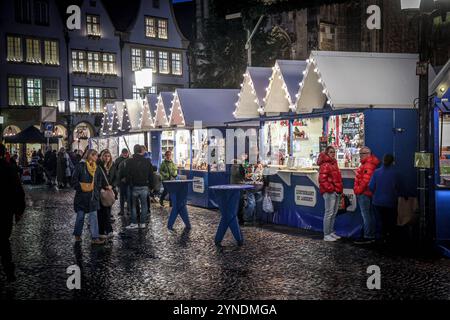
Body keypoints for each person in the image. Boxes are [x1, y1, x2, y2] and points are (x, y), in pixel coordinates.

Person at [0, 144, 25, 282]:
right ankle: (9, 272)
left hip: (6, 209)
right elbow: (18, 191)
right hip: (5, 211)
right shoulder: (9, 168)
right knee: (4, 241)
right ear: (5, 154)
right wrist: (19, 211)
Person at [71, 149, 105, 245]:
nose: (97, 157)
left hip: (93, 197)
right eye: (95, 156)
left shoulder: (96, 168)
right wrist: (82, 187)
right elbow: (73, 180)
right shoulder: (80, 166)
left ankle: (95, 237)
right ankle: (77, 234)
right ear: (90, 156)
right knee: (80, 217)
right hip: (81, 197)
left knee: (94, 217)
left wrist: (96, 190)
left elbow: (99, 180)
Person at [369, 154, 400, 244]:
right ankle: (390, 241)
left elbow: (371, 186)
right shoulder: (395, 174)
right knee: (391, 223)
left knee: (379, 222)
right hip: (391, 202)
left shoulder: (376, 172)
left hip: (377, 201)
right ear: (393, 162)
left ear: (383, 161)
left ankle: (379, 240)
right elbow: (399, 188)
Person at [353, 146, 380, 244]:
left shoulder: (368, 164)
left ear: (367, 154)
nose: (360, 156)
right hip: (367, 193)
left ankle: (368, 235)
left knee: (366, 215)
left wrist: (358, 190)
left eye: (361, 154)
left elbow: (365, 180)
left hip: (364, 193)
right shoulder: (369, 163)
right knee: (369, 215)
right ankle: (370, 234)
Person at [125, 144, 155, 229]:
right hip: (145, 186)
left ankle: (134, 222)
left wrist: (128, 183)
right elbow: (151, 175)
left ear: (134, 150)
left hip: (134, 186)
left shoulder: (129, 161)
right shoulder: (147, 161)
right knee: (144, 205)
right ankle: (142, 223)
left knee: (134, 205)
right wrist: (151, 186)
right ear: (141, 151)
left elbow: (127, 175)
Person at [317, 146, 343, 242]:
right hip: (330, 192)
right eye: (331, 152)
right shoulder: (325, 164)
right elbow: (322, 180)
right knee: (329, 213)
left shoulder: (334, 163)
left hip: (335, 191)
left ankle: (331, 232)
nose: (333, 153)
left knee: (334, 213)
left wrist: (337, 189)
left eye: (334, 152)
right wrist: (331, 189)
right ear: (327, 153)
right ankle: (326, 234)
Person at [97, 149, 117, 239]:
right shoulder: (99, 166)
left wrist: (112, 186)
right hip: (101, 191)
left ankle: (105, 230)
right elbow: (96, 179)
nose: (107, 158)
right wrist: (101, 188)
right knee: (103, 211)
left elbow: (116, 177)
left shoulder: (113, 166)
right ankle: (106, 230)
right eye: (105, 156)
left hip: (109, 191)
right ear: (102, 156)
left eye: (108, 156)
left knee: (107, 211)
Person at [114, 148, 131, 215]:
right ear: (122, 153)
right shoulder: (118, 160)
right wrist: (118, 180)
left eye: (126, 153)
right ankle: (122, 210)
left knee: (128, 196)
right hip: (121, 182)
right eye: (124, 153)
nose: (125, 154)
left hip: (129, 181)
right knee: (122, 197)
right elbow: (116, 171)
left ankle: (129, 210)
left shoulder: (130, 160)